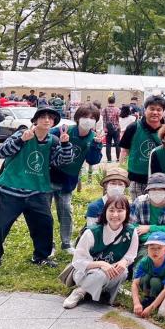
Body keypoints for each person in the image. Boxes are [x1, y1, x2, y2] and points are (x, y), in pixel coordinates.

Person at [0, 107, 76, 273]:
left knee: (45, 224)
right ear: (35, 121)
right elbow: (1, 152)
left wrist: (65, 144)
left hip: (37, 191)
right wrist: (21, 141)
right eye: (43, 117)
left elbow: (62, 161)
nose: (47, 120)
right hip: (10, 190)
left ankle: (40, 257)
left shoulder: (53, 140)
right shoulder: (22, 134)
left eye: (51, 118)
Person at [62, 194, 138, 309]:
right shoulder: (92, 232)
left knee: (123, 272)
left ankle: (103, 290)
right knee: (100, 275)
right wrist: (101, 264)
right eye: (111, 210)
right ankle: (80, 291)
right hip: (86, 272)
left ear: (127, 212)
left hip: (111, 271)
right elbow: (78, 261)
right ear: (105, 212)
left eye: (120, 210)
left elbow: (130, 255)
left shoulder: (131, 232)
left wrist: (124, 262)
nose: (115, 215)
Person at [50, 104, 104, 254]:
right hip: (49, 176)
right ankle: (48, 243)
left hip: (68, 180)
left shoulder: (94, 138)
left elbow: (93, 160)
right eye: (85, 116)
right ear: (78, 118)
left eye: (92, 118)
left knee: (66, 210)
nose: (88, 120)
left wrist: (96, 145)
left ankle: (66, 243)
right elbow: (45, 139)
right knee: (45, 212)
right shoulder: (65, 130)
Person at [120, 94, 165, 199]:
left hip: (160, 179)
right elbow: (124, 151)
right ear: (145, 110)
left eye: (159, 110)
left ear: (163, 112)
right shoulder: (133, 127)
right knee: (139, 210)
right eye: (152, 109)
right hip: (137, 179)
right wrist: (121, 171)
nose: (155, 112)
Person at [129, 172, 165, 259]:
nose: (157, 192)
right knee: (142, 263)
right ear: (148, 191)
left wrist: (149, 228)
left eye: (161, 189)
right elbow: (131, 227)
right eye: (153, 189)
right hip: (143, 243)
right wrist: (152, 239)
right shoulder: (139, 202)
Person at [132, 231, 165, 318]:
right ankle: (147, 297)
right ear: (147, 248)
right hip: (150, 284)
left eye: (159, 248)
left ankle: (153, 301)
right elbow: (135, 283)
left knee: (155, 281)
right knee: (145, 278)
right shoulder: (145, 261)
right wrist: (136, 303)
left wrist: (151, 308)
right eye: (152, 248)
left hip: (163, 290)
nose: (155, 251)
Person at [101, 96, 121, 163]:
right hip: (116, 128)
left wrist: (104, 127)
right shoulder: (117, 109)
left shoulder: (104, 109)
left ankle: (109, 159)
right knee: (117, 143)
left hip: (107, 129)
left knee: (108, 143)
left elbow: (103, 119)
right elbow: (119, 119)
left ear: (108, 101)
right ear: (114, 101)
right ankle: (118, 158)